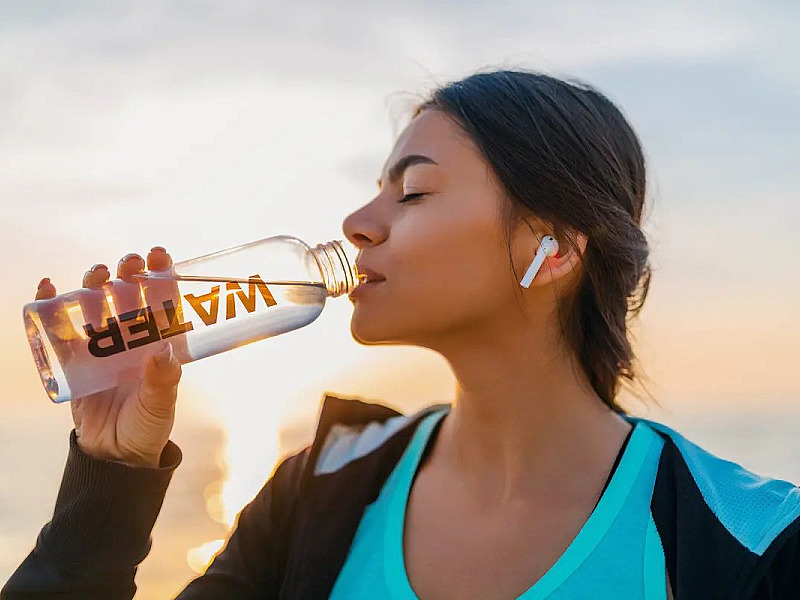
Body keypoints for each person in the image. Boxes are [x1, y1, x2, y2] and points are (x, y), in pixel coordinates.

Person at [3, 69, 799, 600]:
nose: (356, 223)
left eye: (412, 192)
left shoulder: (754, 547)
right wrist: (109, 482)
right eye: (374, 189)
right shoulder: (318, 493)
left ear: (550, 248)